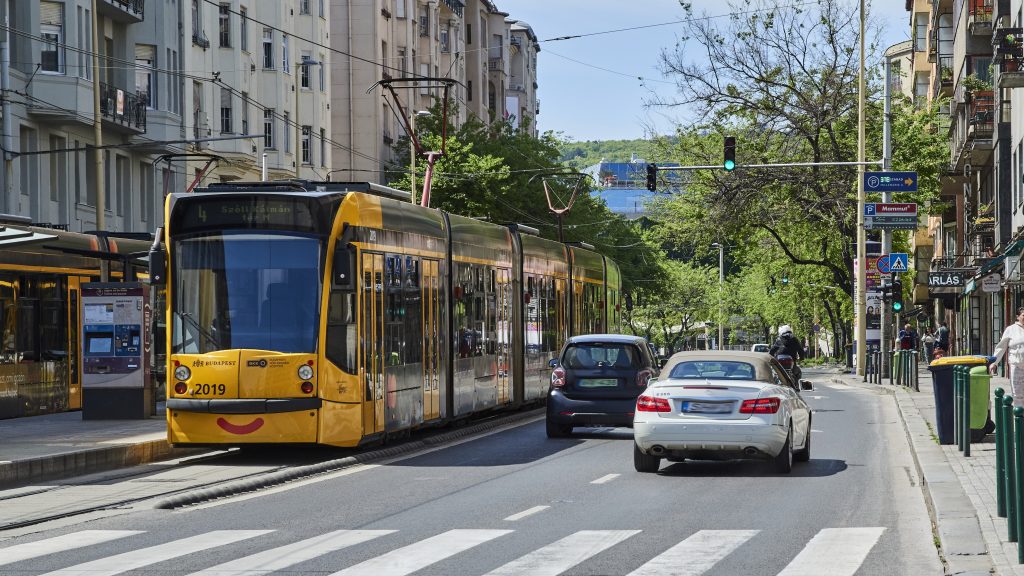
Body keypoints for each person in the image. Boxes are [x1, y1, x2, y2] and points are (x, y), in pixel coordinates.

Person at [991, 307, 1024, 407]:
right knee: (1017, 395)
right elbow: (1001, 347)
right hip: (1016, 365)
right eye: (1023, 315)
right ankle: (1020, 419)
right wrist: (994, 362)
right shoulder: (1011, 329)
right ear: (1018, 317)